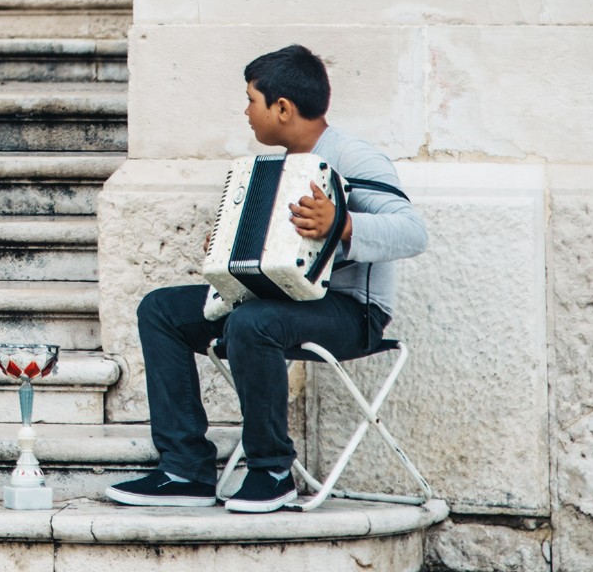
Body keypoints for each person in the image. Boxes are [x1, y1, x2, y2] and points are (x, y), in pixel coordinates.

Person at [105, 44, 428, 513]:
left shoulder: (356, 159)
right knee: (161, 310)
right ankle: (185, 469)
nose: (245, 111)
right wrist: (227, 246)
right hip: (277, 304)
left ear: (282, 108)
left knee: (253, 322)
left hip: (352, 312)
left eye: (251, 100)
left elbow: (412, 232)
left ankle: (272, 471)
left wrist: (343, 223)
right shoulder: (270, 168)